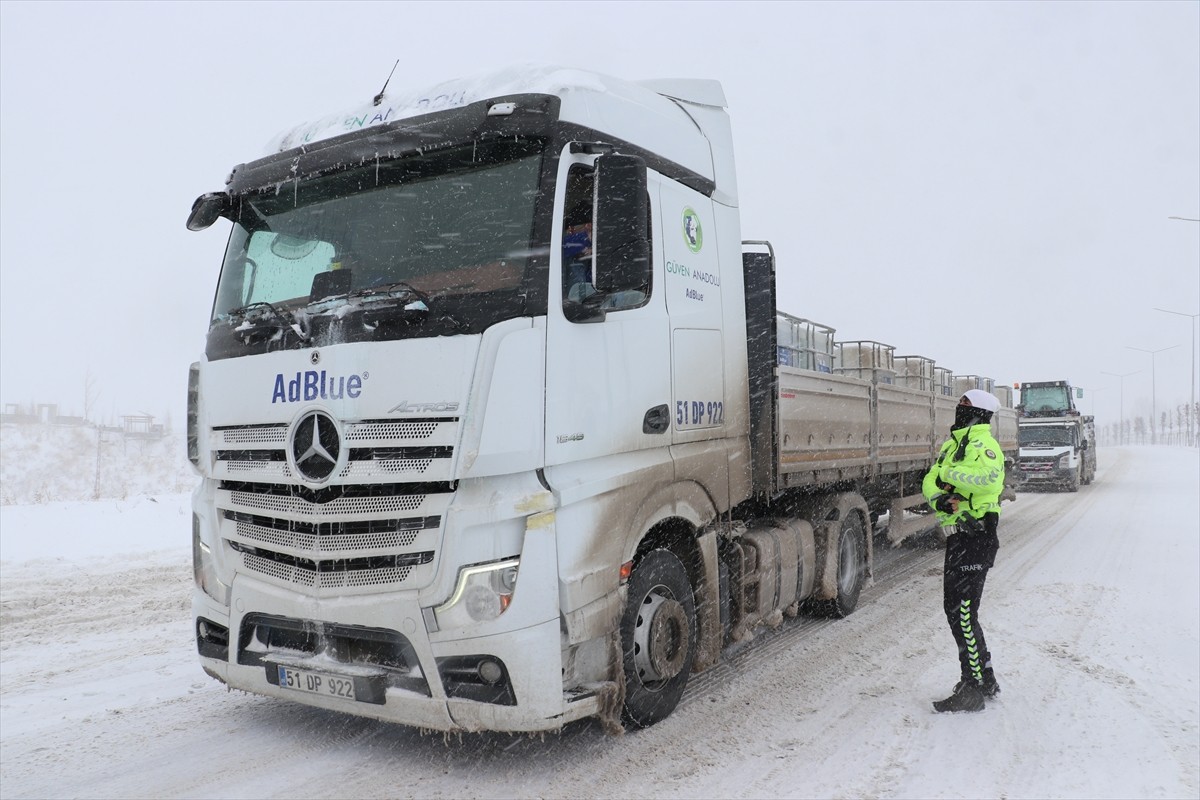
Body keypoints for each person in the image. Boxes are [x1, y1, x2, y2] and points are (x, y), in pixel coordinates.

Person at [922, 388, 1006, 713]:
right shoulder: (952, 444)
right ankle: (985, 678)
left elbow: (987, 479)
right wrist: (940, 496)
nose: (960, 407)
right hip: (958, 538)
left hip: (978, 535)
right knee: (956, 610)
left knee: (962, 613)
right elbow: (927, 481)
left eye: (966, 404)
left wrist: (947, 475)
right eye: (960, 402)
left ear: (981, 411)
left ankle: (971, 687)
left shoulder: (984, 445)